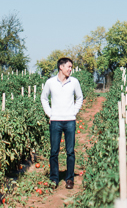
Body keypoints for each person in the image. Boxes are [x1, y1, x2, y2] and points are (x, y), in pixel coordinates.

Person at [40, 57, 84, 189]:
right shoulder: (50, 82)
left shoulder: (74, 82)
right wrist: (50, 113)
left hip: (70, 120)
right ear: (61, 67)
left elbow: (80, 97)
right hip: (55, 121)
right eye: (68, 67)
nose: (70, 69)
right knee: (54, 151)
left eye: (71, 67)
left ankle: (69, 179)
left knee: (70, 151)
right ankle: (54, 178)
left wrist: (74, 112)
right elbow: (44, 98)